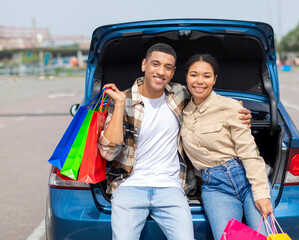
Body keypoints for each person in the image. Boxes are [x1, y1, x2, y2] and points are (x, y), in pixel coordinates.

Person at [98, 43, 252, 240]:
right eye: (155, 64)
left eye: (168, 67)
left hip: (170, 187)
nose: (161, 71)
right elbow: (108, 153)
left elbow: (206, 95)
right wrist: (119, 105)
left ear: (173, 73)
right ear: (144, 65)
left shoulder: (178, 95)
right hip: (129, 187)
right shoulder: (122, 99)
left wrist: (237, 108)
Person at [180, 54, 273, 240]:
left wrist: (261, 193)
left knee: (263, 236)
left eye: (206, 76)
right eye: (194, 75)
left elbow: (249, 152)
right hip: (215, 187)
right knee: (227, 238)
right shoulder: (180, 110)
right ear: (186, 77)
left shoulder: (230, 106)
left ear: (215, 79)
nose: (200, 81)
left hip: (246, 179)